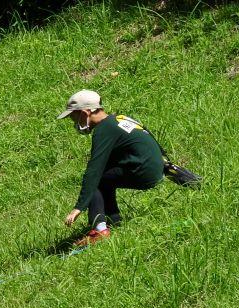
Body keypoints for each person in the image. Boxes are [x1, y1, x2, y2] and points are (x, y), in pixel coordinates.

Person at [58, 90, 164, 247]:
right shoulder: (118, 119)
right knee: (106, 177)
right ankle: (113, 221)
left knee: (97, 179)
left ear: (85, 112)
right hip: (157, 168)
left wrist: (78, 207)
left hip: (145, 173)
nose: (74, 123)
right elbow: (149, 137)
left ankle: (99, 231)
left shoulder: (103, 130)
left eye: (74, 117)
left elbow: (94, 169)